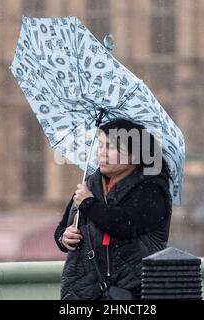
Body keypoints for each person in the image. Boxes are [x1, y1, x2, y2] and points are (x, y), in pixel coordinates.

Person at [54, 119, 173, 300]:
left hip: (130, 293)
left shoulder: (151, 189)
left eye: (110, 147)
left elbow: (126, 225)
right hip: (80, 294)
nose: (102, 153)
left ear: (134, 155)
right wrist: (64, 237)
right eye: (100, 145)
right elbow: (63, 227)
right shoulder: (90, 185)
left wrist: (89, 204)